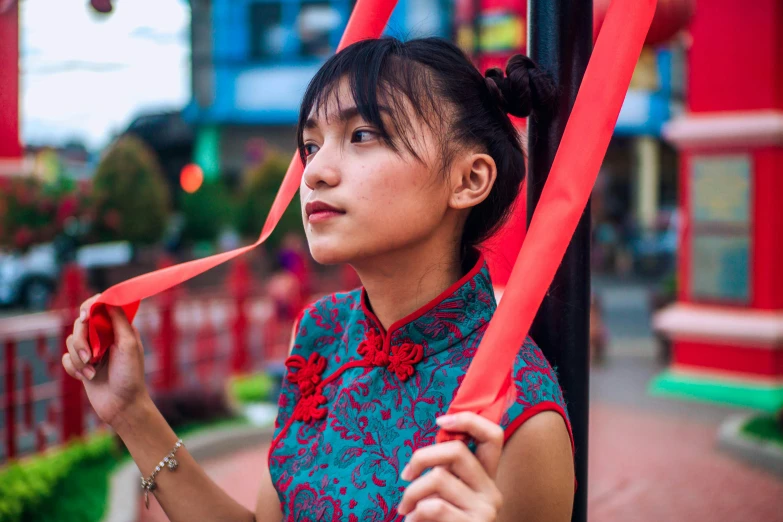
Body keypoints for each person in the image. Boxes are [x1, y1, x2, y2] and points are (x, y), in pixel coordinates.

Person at [63, 37, 575, 521]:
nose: (314, 172)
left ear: (469, 180)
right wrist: (131, 412)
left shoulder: (519, 416)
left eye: (362, 135)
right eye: (311, 144)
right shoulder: (322, 332)